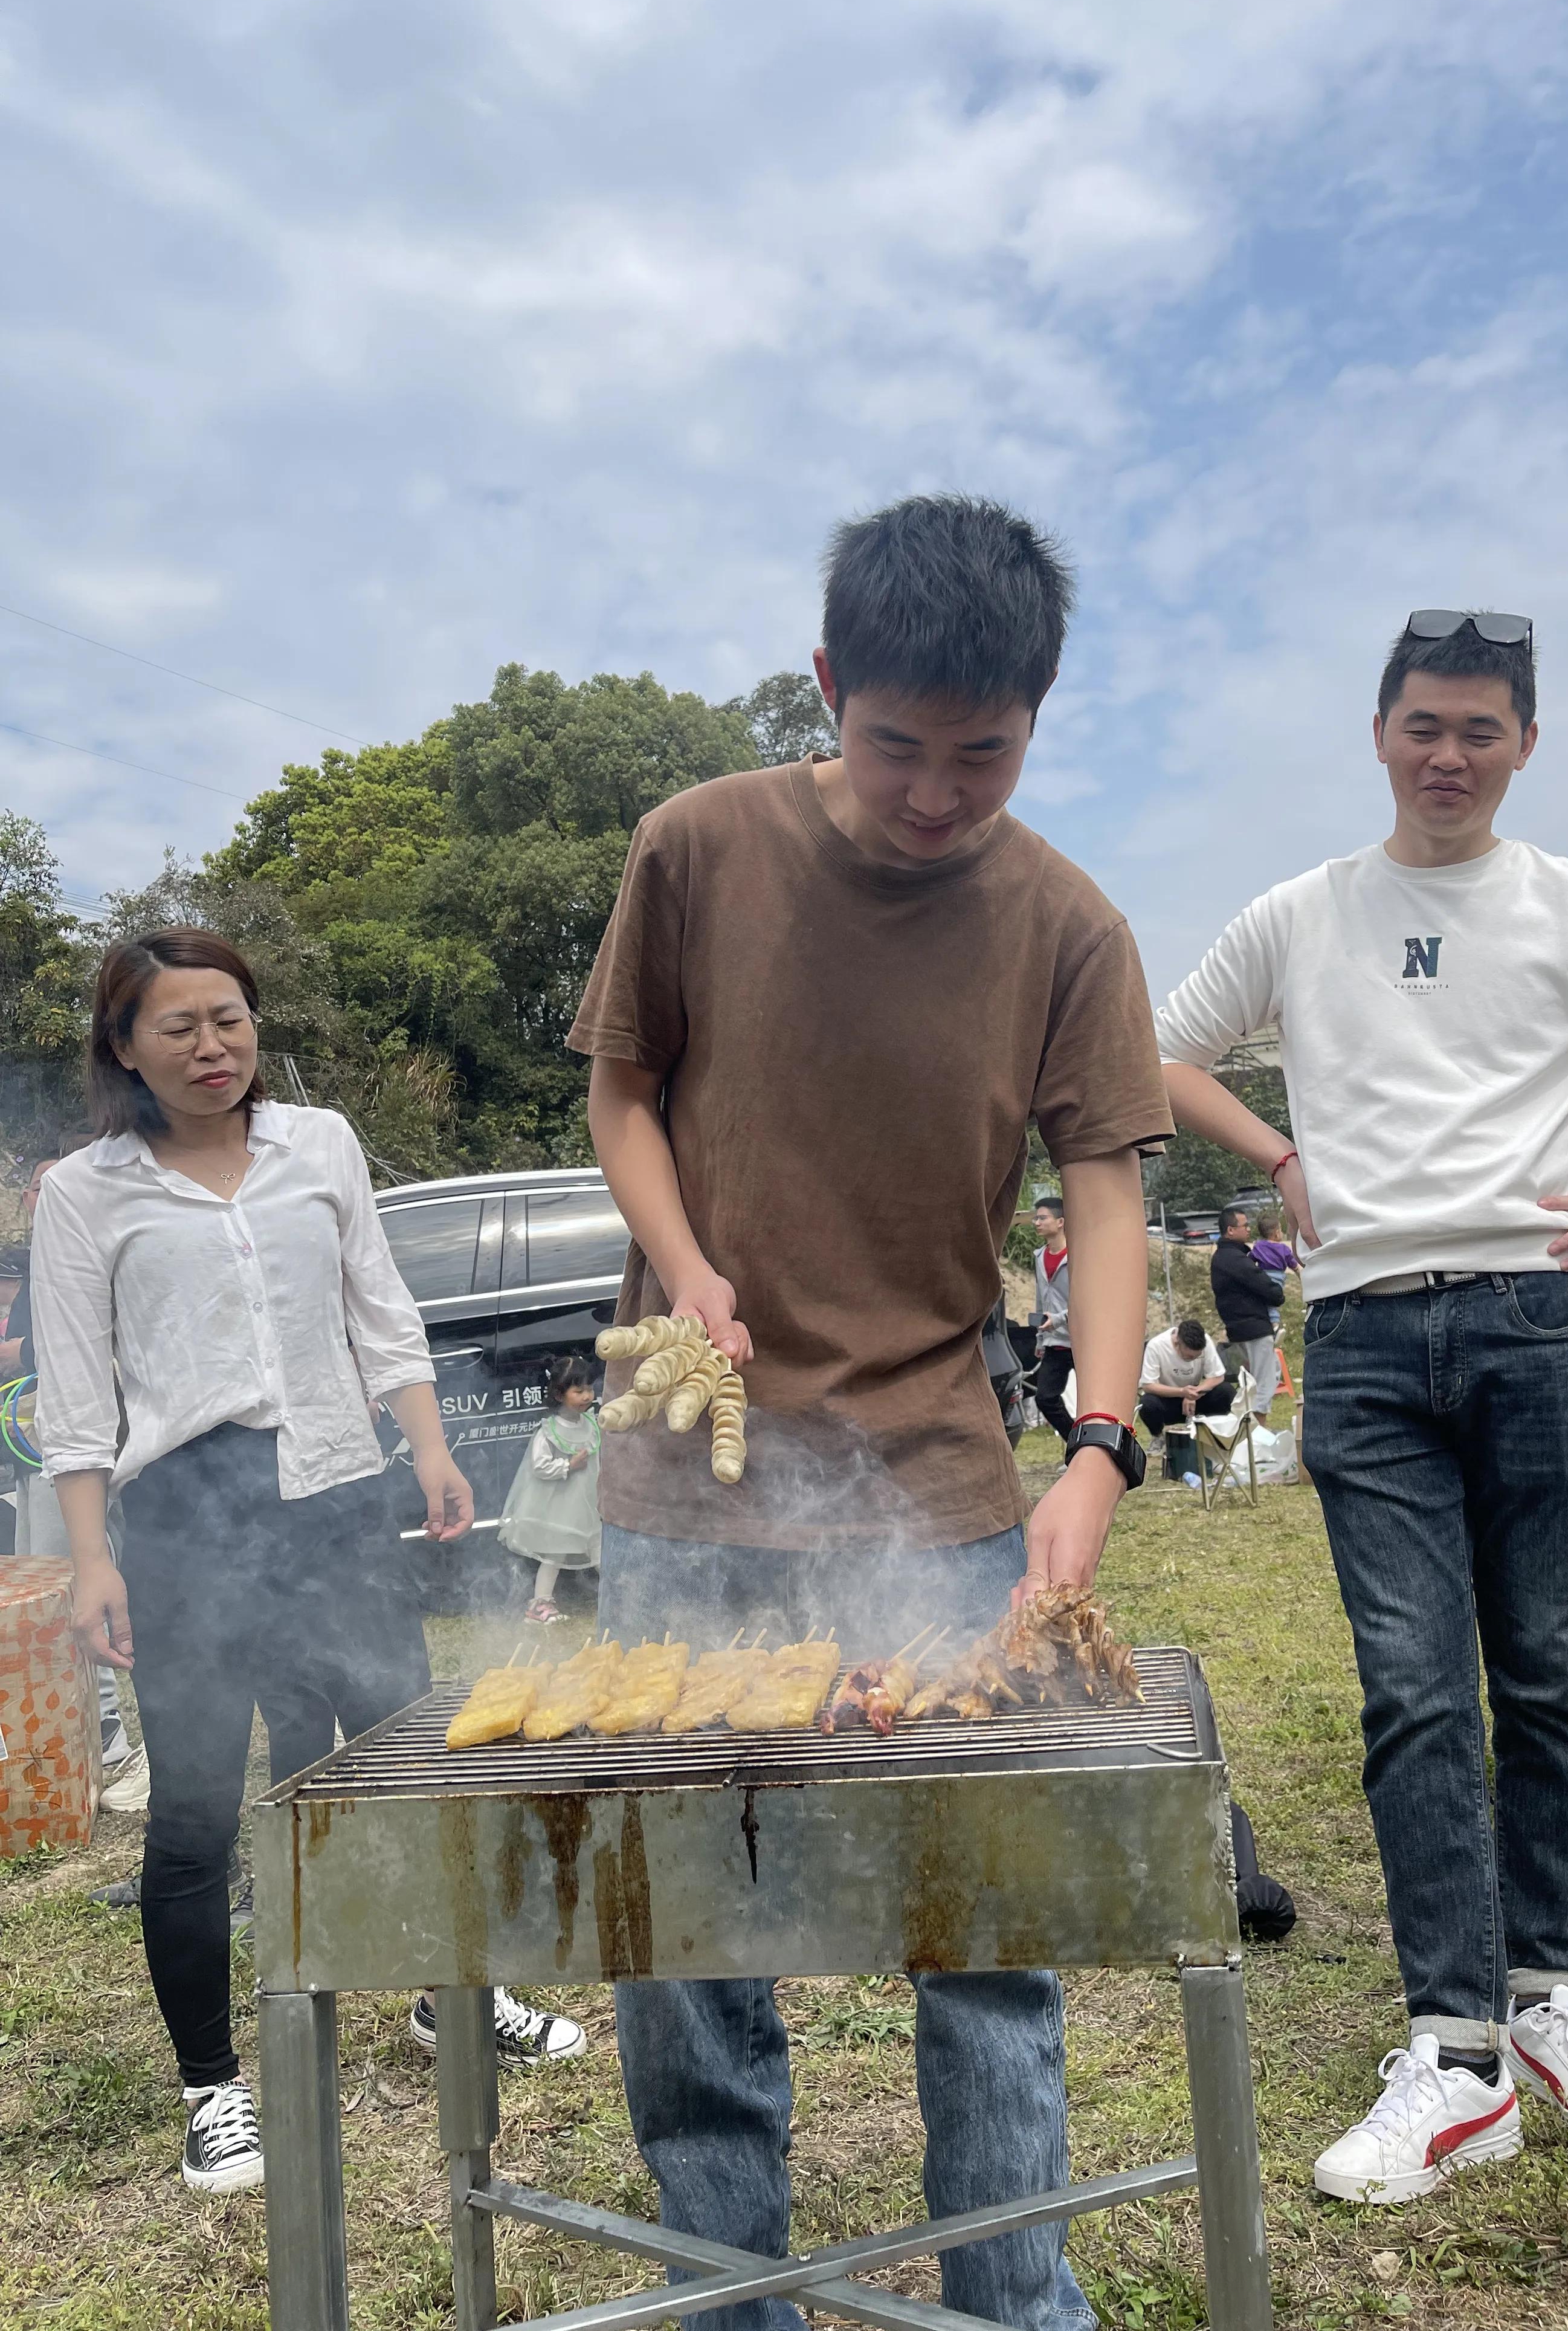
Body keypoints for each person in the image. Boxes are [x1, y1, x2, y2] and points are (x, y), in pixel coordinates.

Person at [570, 493, 1167, 2331]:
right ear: (831, 686)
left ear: (1037, 718)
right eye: (897, 744)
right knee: (687, 1927)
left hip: (934, 1474)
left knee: (981, 1926)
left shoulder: (1067, 922)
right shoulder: (698, 848)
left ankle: (1013, 2300)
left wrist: (1100, 1441)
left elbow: (1112, 1196)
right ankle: (731, 2299)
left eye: (978, 755)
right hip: (691, 1471)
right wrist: (684, 1267)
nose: (933, 793)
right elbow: (623, 1094)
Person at [1155, 609, 1568, 2204]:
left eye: (1480, 730)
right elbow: (1153, 1048)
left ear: (1526, 745)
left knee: (1555, 1678)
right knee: (1414, 1694)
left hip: (1542, 1325)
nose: (1448, 756)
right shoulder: (1303, 915)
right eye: (1423, 726)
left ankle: (1550, 2001)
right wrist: (1276, 1156)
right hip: (1371, 1337)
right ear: (1377, 733)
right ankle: (1454, 2050)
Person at [31, 928, 584, 2199]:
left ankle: (459, 1997)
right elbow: (75, 1391)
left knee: (401, 1768)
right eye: (179, 1027)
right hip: (184, 1516)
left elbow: (380, 1308)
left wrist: (431, 1448)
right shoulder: (86, 1193)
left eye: (229, 1018)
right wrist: (92, 1558)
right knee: (194, 1815)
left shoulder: (320, 1144)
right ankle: (212, 2090)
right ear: (125, 1047)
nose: (213, 1046)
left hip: (336, 1495)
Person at [5, 1133, 135, 1782]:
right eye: (36, 1187)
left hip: (107, 1452)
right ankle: (96, 1736)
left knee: (78, 1582)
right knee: (57, 1588)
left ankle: (111, 1743)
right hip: (44, 1451)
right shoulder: (34, 1263)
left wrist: (17, 1353)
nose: (43, 1197)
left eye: (55, 1185)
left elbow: (88, 1342)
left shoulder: (102, 1247)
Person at [498, 1355, 601, 1622]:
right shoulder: (550, 1431)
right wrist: (568, 1465)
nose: (587, 1396)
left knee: (602, 1549)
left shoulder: (592, 1423)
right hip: (562, 1506)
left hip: (591, 1502)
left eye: (589, 1389)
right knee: (555, 1555)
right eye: (578, 1391)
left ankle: (622, 1598)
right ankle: (539, 1605)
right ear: (559, 1394)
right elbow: (540, 1466)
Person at [1208, 1206, 1283, 1416]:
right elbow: (1261, 1283)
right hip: (1253, 1328)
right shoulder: (1234, 1259)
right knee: (1262, 1383)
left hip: (1241, 1328)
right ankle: (1257, 1430)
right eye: (1245, 1225)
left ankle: (1251, 1427)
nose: (1249, 1229)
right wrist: (1277, 1294)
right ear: (1230, 1230)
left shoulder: (1224, 1258)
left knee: (1267, 1373)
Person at [1138, 1317, 1232, 1483]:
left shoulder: (1206, 1341)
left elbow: (1218, 1376)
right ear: (1177, 1343)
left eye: (1197, 1357)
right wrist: (1182, 1392)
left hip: (1196, 1397)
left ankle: (1213, 1435)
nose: (1193, 1359)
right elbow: (1148, 1385)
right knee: (1147, 1404)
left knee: (1226, 1392)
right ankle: (1158, 1437)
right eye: (1189, 1357)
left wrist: (1196, 1392)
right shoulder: (1156, 1346)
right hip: (1169, 1399)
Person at [1030, 1194, 1074, 1441]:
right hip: (1054, 1341)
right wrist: (1040, 1338)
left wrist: (1059, 1319)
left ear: (1060, 1222)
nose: (1037, 1222)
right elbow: (1041, 1299)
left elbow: (1086, 1301)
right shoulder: (1039, 1256)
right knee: (1045, 1398)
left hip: (1082, 1341)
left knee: (1093, 1401)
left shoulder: (1077, 1255)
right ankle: (1076, 1444)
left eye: (1042, 1218)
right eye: (1036, 1218)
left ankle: (1097, 1450)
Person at [1251, 1208, 1299, 1280]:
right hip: (1278, 1280)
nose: (1282, 1232)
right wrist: (1299, 1275)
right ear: (1277, 1234)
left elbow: (1250, 1260)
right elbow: (1294, 1265)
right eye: (1281, 1230)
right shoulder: (1284, 1249)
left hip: (1263, 1279)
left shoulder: (1258, 1247)